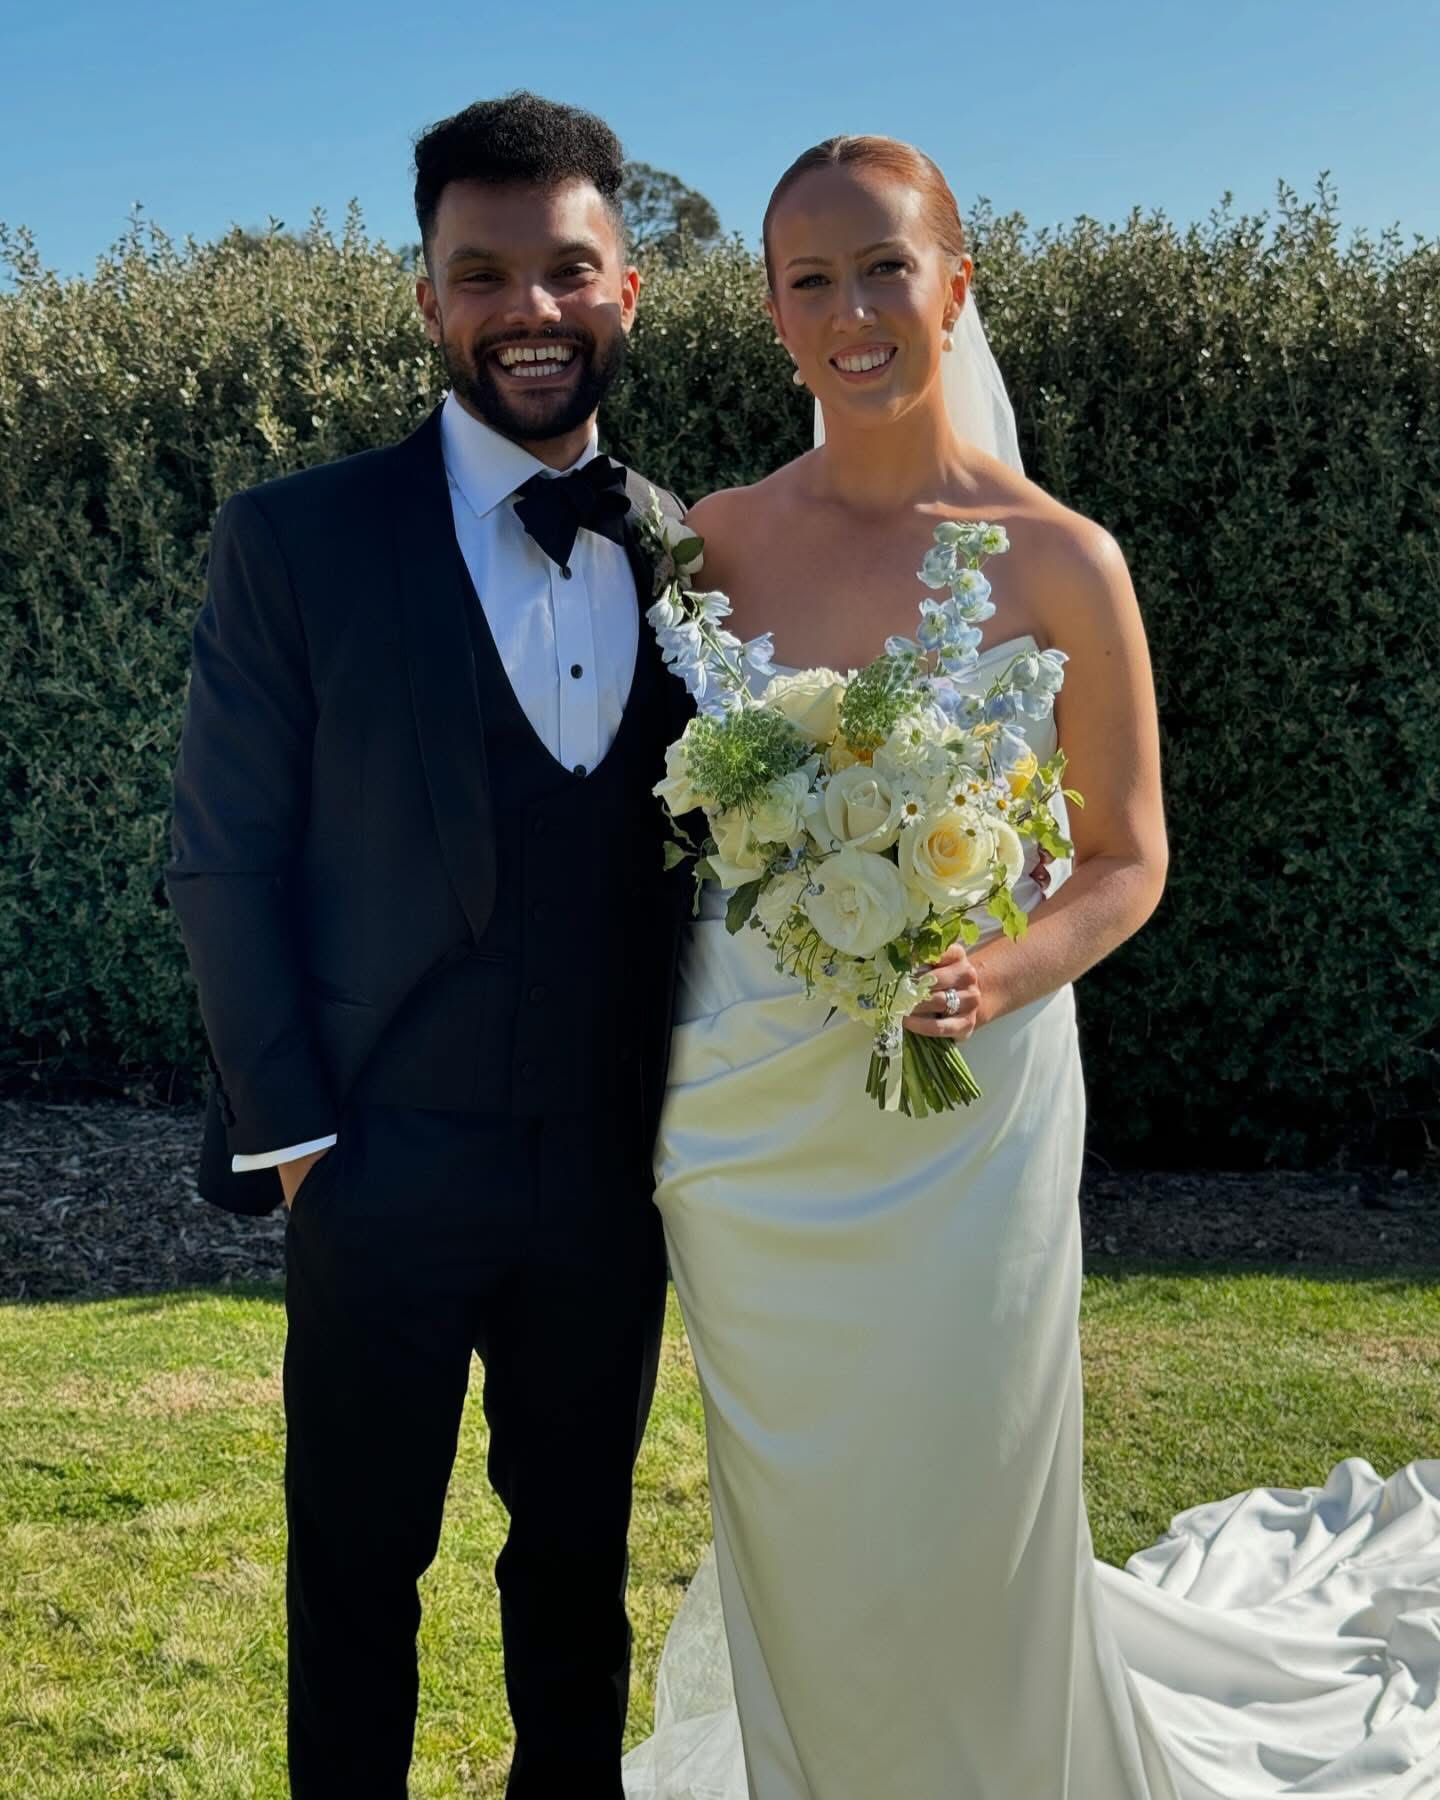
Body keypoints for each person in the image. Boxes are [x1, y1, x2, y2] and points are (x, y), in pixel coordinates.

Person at [621, 136, 1440, 1799]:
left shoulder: (1064, 559)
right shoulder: (710, 545)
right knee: (798, 1503)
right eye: (811, 278)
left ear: (955, 286)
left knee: (968, 1484)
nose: (853, 310)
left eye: (887, 266)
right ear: (772, 312)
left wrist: (1001, 972)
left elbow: (1128, 857)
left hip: (966, 1109)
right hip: (750, 1124)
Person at [167, 91, 689, 1799]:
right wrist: (297, 1142)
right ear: (428, 300)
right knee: (355, 1574)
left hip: (607, 1170)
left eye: (568, 269)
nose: (529, 309)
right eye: (483, 274)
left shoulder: (694, 548)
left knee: (579, 1573)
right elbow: (223, 857)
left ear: (627, 289)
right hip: (373, 1155)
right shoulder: (295, 539)